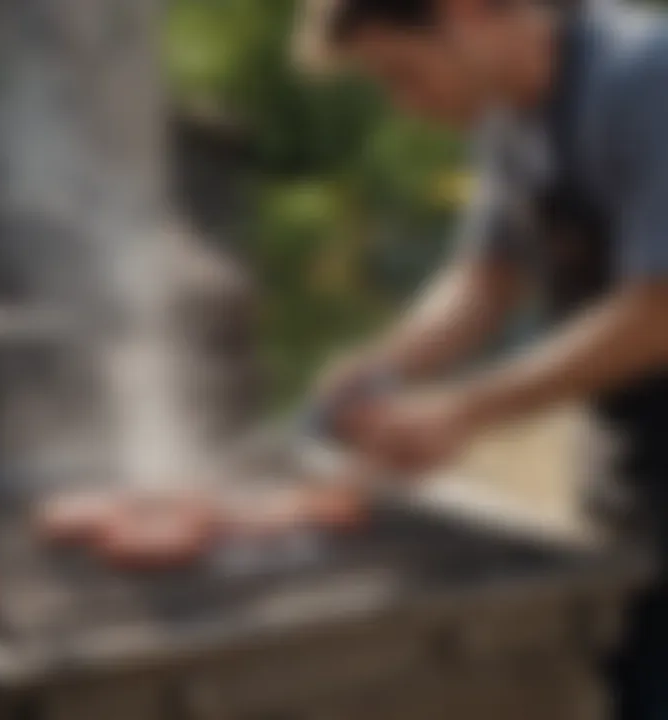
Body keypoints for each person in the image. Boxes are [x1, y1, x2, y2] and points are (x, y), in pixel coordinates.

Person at [309, 0, 668, 717]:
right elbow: (485, 279)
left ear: (467, 12)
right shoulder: (510, 117)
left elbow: (659, 311)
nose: (403, 105)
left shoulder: (643, 78)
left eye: (403, 74)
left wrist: (465, 410)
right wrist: (384, 367)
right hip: (638, 468)